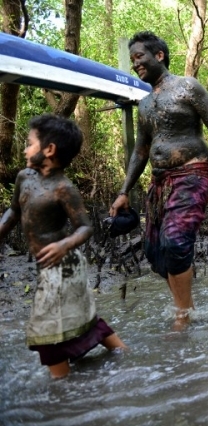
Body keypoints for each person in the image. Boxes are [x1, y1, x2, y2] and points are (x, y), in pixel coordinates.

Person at [110, 31, 208, 331]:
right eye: (132, 60)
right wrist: (123, 192)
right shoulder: (145, 103)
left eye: (139, 57)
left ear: (159, 55)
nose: (135, 64)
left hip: (193, 173)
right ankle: (188, 309)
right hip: (160, 182)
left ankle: (182, 318)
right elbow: (141, 151)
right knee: (154, 250)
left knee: (175, 240)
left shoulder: (188, 87)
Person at [0, 114, 126, 378]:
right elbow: (12, 212)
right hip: (49, 266)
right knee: (78, 314)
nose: (24, 149)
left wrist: (64, 246)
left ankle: (60, 393)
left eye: (29, 143)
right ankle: (121, 352)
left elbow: (85, 227)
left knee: (47, 330)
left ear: (49, 150)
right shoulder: (24, 177)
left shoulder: (63, 188)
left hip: (65, 264)